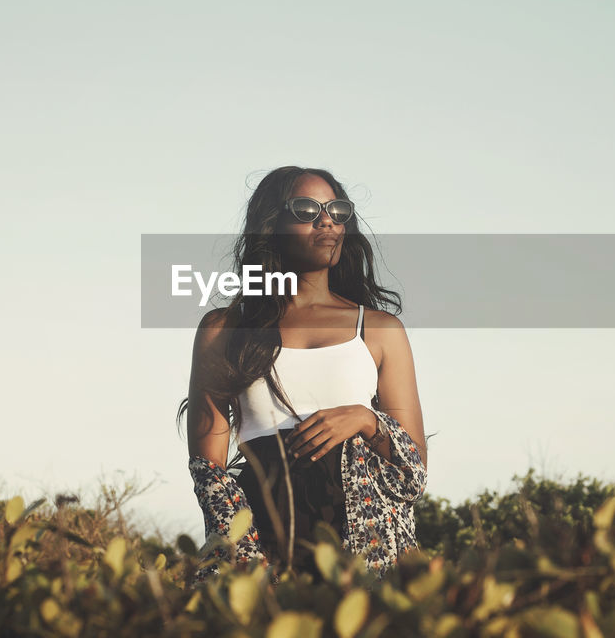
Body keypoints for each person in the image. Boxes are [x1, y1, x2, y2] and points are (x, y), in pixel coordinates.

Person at [178, 166, 429, 586]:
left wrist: (366, 420)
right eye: (307, 209)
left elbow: (414, 471)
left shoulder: (381, 329)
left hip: (365, 545)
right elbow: (208, 469)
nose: (327, 220)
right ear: (272, 225)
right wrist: (244, 554)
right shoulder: (224, 329)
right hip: (262, 536)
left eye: (337, 210)